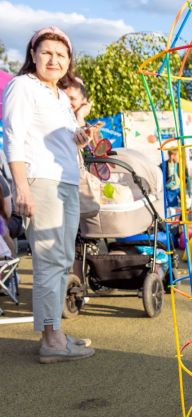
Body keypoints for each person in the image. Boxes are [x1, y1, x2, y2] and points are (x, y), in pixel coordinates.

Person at [2, 26, 94, 363]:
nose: (54, 60)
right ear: (33, 55)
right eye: (47, 53)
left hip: (65, 183)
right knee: (49, 261)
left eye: (61, 54)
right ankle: (52, 340)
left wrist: (79, 138)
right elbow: (13, 137)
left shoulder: (58, 95)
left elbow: (61, 142)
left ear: (69, 60)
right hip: (41, 182)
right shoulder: (22, 87)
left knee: (59, 260)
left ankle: (53, 333)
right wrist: (21, 186)